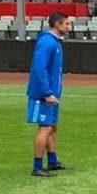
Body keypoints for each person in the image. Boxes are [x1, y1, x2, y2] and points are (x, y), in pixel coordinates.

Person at [26, 12, 71, 178]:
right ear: (57, 25)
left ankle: (52, 161)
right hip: (44, 94)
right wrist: (47, 93)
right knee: (45, 128)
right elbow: (40, 68)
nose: (69, 27)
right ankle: (37, 166)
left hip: (52, 93)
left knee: (52, 126)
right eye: (66, 24)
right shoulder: (47, 42)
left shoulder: (54, 42)